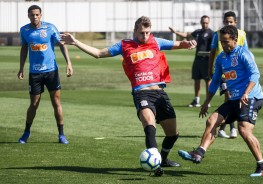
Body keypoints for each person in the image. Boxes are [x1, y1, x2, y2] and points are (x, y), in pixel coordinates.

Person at [61, 16, 197, 176]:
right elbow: (98, 53)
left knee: (173, 134)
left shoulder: (156, 42)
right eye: (141, 33)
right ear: (134, 31)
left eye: (147, 32)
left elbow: (179, 44)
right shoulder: (125, 45)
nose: (145, 36)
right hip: (142, 93)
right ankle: (156, 166)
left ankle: (163, 158)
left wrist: (188, 43)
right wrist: (75, 41)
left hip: (160, 93)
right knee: (149, 125)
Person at [178, 25, 263, 177]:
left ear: (234, 39)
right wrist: (206, 102)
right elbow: (214, 81)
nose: (224, 45)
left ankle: (262, 166)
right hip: (234, 99)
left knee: (244, 130)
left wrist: (246, 93)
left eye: (226, 42)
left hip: (252, 96)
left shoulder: (244, 53)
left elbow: (255, 75)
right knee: (212, 120)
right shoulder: (221, 58)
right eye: (221, 42)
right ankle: (199, 153)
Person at [17, 5, 73, 144]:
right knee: (34, 104)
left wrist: (69, 63)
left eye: (37, 14)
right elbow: (24, 49)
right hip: (35, 73)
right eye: (32, 15)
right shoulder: (24, 30)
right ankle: (26, 132)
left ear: (41, 15)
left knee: (56, 102)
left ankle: (61, 135)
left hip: (51, 71)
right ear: (28, 15)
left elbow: (61, 44)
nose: (34, 17)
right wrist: (21, 68)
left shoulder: (50, 28)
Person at [209, 11, 249, 139]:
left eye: (231, 22)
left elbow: (246, 52)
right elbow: (212, 51)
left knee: (233, 98)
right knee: (229, 95)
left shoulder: (242, 34)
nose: (228, 23)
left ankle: (223, 127)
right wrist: (210, 69)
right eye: (226, 22)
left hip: (237, 75)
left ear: (235, 22)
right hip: (223, 72)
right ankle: (231, 128)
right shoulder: (217, 34)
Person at [169, 15, 213, 108]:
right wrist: (175, 32)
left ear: (208, 23)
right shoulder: (198, 32)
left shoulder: (211, 33)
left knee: (207, 80)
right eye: (203, 22)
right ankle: (196, 100)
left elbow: (214, 48)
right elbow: (187, 35)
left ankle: (208, 100)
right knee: (196, 79)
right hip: (197, 59)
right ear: (201, 22)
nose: (205, 24)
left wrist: (210, 54)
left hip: (207, 61)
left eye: (206, 22)